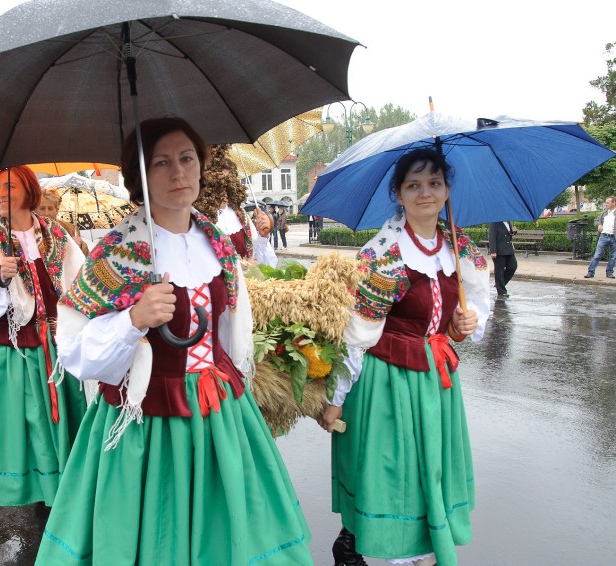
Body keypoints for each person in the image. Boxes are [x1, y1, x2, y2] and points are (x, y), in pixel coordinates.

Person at [35, 117, 311, 565]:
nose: (178, 172)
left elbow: (232, 330)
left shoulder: (217, 243)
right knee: (157, 534)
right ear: (137, 180)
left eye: (187, 159)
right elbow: (73, 347)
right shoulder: (119, 250)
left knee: (228, 529)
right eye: (160, 163)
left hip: (221, 412)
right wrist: (132, 319)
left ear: (201, 167)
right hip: (147, 419)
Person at [318, 148, 489, 566]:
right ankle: (367, 545)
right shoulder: (384, 254)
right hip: (387, 381)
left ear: (447, 188)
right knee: (396, 471)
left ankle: (413, 550)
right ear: (399, 193)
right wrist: (336, 398)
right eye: (414, 185)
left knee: (428, 467)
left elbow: (474, 308)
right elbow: (357, 336)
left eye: (434, 183)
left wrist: (464, 324)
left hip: (436, 379)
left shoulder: (459, 248)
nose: (425, 193)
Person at [0, 165, 87, 508]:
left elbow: (81, 283)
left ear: (29, 191)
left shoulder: (57, 235)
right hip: (17, 350)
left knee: (67, 415)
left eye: (9, 186)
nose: (0, 194)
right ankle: (41, 493)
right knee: (29, 420)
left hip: (60, 345)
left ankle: (68, 487)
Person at [35, 187, 90, 255]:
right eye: (42, 208)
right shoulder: (31, 229)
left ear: (57, 210)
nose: (47, 213)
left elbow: (87, 259)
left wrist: (80, 246)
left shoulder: (71, 228)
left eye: (50, 208)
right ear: (35, 210)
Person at [584, 195, 616, 279]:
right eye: (606, 203)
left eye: (608, 203)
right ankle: (591, 272)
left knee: (613, 256)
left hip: (614, 237)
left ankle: (609, 272)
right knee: (597, 255)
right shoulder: (604, 212)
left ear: (614, 203)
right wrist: (599, 225)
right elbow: (596, 220)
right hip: (603, 236)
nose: (606, 204)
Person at [488, 220, 518, 296]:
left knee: (513, 266)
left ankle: (499, 284)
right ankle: (502, 292)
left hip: (508, 249)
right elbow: (492, 236)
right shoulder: (495, 222)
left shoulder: (508, 222)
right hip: (499, 250)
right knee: (499, 271)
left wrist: (513, 231)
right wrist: (493, 251)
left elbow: (508, 234)